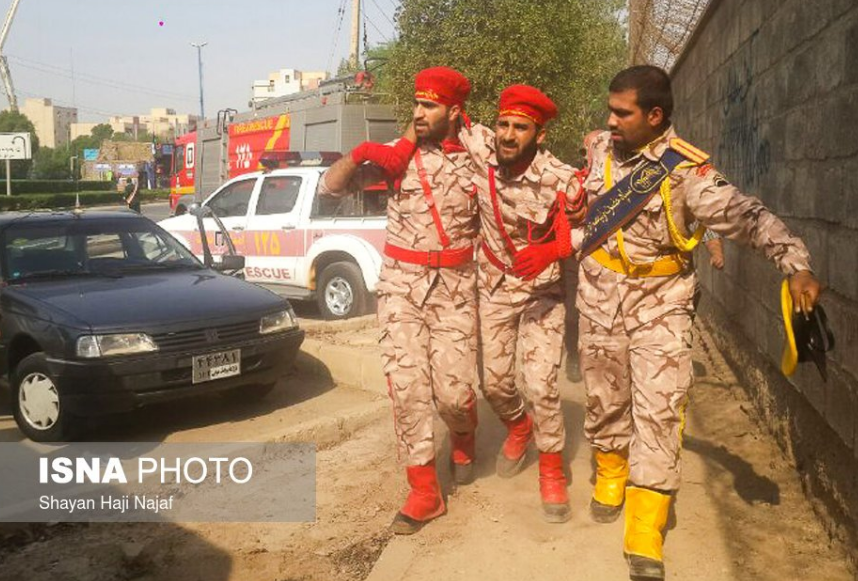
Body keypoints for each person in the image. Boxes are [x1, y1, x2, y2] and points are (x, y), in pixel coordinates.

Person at [514, 65, 820, 579]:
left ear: (655, 116)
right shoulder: (597, 150)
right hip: (598, 296)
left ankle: (646, 525)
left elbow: (746, 215)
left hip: (662, 301)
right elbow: (586, 213)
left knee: (658, 409)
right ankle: (610, 473)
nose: (610, 122)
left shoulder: (688, 172)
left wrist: (796, 263)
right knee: (605, 397)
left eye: (622, 113)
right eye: (609, 110)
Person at [318, 67, 480, 535]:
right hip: (400, 287)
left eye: (429, 106)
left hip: (455, 287)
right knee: (406, 387)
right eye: (416, 104)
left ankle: (464, 430)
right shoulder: (396, 156)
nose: (418, 113)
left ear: (453, 110)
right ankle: (424, 490)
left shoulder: (476, 154)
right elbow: (330, 188)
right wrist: (360, 153)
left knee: (453, 392)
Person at [457, 85, 586, 522]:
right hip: (493, 287)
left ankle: (552, 472)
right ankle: (519, 426)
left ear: (540, 134)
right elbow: (447, 111)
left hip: (541, 294)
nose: (508, 135)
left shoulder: (562, 179)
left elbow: (596, 227)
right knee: (494, 383)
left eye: (521, 128)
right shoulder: (482, 151)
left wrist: (554, 250)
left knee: (542, 386)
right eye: (504, 124)